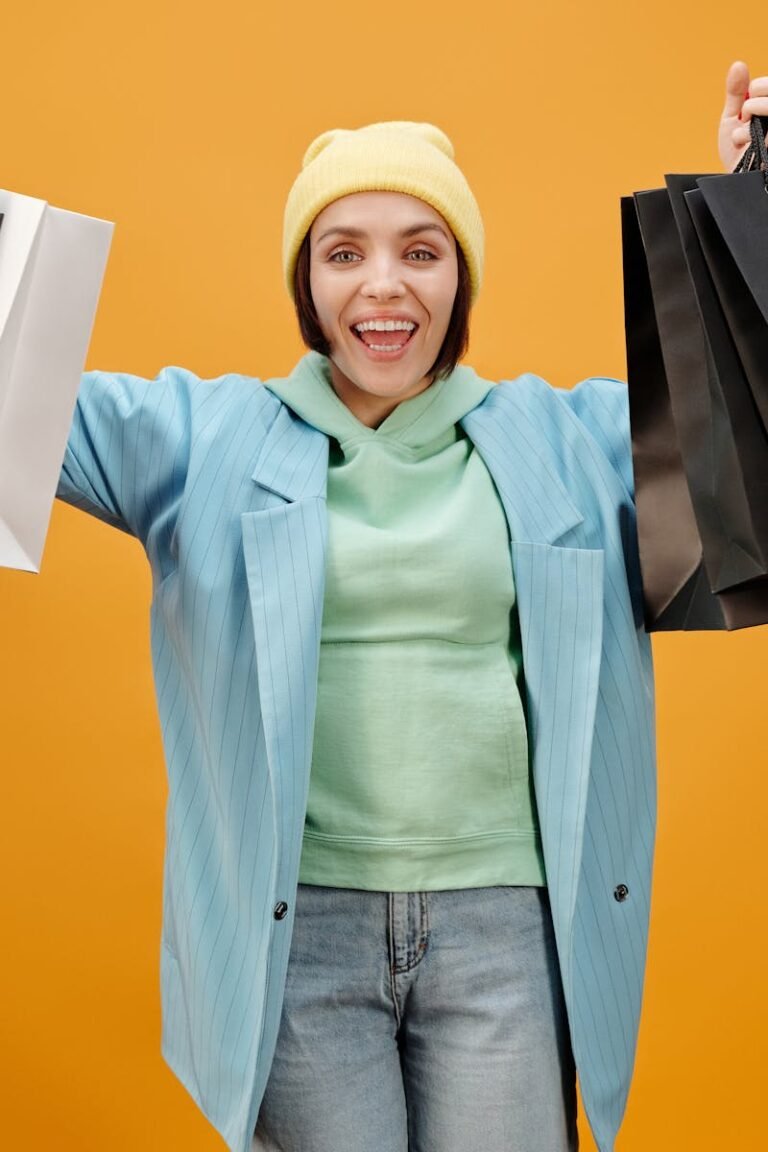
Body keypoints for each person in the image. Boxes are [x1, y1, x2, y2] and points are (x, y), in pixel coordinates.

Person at [44, 60, 765, 1152]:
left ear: (460, 280)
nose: (384, 285)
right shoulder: (194, 440)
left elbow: (749, 421)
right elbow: (12, 391)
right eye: (345, 253)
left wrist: (755, 195)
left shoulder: (575, 442)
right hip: (300, 938)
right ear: (307, 284)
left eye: (420, 252)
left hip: (507, 934)